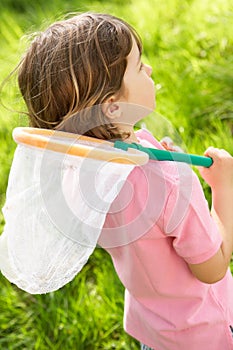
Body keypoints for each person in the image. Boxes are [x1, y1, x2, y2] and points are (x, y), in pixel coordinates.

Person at [3, 12, 233, 349]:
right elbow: (212, 267)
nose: (150, 70)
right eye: (139, 67)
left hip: (151, 332)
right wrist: (223, 188)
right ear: (113, 108)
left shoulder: (79, 175)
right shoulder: (169, 179)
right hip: (208, 330)